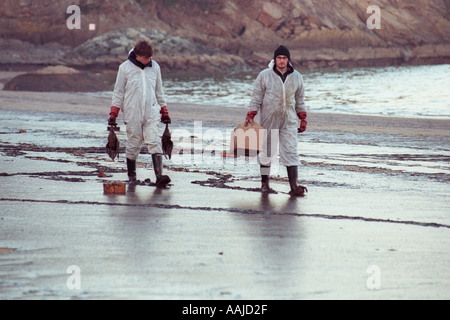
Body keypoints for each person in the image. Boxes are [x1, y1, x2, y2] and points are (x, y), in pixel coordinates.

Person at [246, 45, 309, 196]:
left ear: (288, 60)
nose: (281, 61)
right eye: (279, 58)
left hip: (289, 120)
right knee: (267, 151)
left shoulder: (297, 77)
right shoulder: (264, 75)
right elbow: (256, 97)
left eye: (284, 58)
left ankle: (294, 186)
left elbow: (300, 100)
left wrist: (302, 118)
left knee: (291, 150)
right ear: (274, 59)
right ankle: (265, 184)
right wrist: (251, 115)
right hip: (269, 118)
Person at [108, 39, 171, 188]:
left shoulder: (155, 67)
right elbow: (118, 92)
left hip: (152, 112)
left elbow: (159, 91)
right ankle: (132, 176)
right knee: (133, 144)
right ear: (137, 55)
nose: (149, 60)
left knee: (154, 140)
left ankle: (159, 176)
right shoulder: (124, 68)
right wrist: (113, 114)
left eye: (150, 57)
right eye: (146, 58)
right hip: (132, 112)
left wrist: (164, 111)